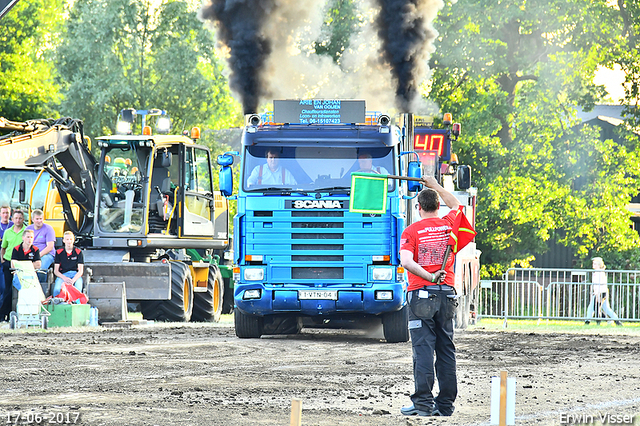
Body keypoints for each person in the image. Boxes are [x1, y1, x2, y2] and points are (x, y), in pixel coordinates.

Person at [399, 176, 461, 417]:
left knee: (423, 349)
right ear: (437, 206)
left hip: (421, 296)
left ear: (419, 207)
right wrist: (435, 184)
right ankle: (445, 405)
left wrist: (429, 275)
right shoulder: (450, 224)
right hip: (447, 294)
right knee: (446, 349)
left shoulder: (411, 230)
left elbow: (406, 261)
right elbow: (456, 204)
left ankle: (423, 404)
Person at [0, 209, 25, 321]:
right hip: (8, 262)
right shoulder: (8, 232)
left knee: (16, 290)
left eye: (20, 218)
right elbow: (3, 247)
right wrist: (2, 260)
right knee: (7, 289)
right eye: (16, 218)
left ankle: (13, 313)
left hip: (21, 263)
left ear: (23, 219)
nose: (18, 220)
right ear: (12, 219)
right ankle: (3, 314)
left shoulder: (26, 231)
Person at [585, 257, 622, 326]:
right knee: (605, 308)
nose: (593, 265)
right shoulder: (597, 272)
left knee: (595, 307)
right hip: (599, 292)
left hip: (600, 292)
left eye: (595, 264)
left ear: (599, 265)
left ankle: (591, 321)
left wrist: (598, 294)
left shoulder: (600, 273)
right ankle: (616, 320)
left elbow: (600, 284)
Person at [52, 231, 84, 296]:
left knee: (78, 289)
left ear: (74, 240)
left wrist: (73, 280)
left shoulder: (78, 252)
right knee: (57, 290)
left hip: (75, 275)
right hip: (62, 275)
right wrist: (64, 278)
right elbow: (56, 271)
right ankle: (56, 303)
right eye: (67, 239)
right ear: (63, 240)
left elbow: (80, 271)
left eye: (71, 239)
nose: (69, 241)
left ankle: (76, 304)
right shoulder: (58, 252)